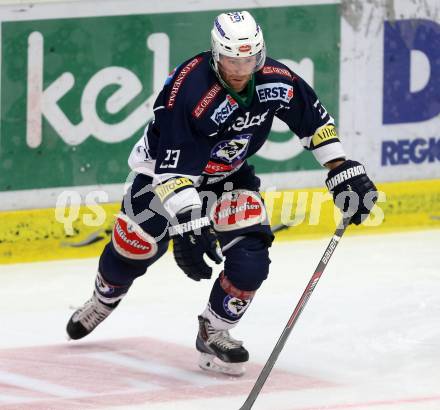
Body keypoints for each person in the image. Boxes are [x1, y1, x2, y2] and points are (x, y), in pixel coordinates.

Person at [66, 10, 377, 376]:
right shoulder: (189, 91)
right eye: (233, 59)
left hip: (228, 177)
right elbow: (173, 170)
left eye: (250, 59)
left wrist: (340, 167)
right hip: (161, 175)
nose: (242, 68)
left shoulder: (275, 80)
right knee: (135, 245)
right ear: (216, 55)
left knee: (251, 261)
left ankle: (213, 329)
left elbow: (313, 120)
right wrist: (188, 225)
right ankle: (105, 298)